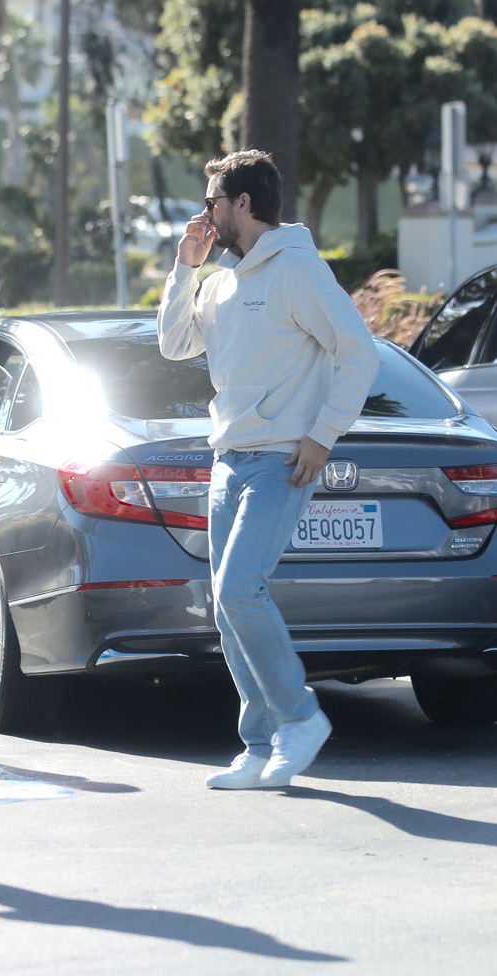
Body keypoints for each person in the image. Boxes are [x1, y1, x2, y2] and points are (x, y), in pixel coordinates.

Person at [157, 150, 378, 790]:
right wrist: (184, 269)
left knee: (238, 589)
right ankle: (258, 747)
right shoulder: (223, 280)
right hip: (229, 461)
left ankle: (300, 717)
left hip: (283, 460)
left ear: (243, 205)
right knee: (226, 608)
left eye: (213, 202)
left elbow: (357, 352)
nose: (205, 213)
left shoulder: (298, 270)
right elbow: (174, 344)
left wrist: (322, 435)